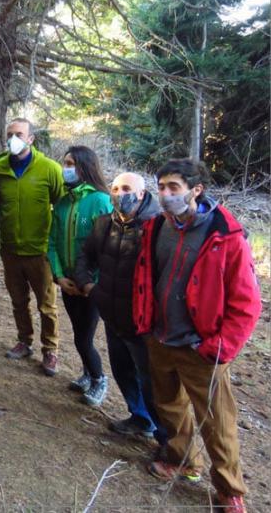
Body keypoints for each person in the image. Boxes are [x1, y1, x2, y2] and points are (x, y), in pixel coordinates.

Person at [133, 159, 260, 511]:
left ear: (196, 190)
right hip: (160, 337)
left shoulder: (226, 234)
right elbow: (147, 276)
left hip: (202, 347)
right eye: (161, 187)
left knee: (218, 424)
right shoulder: (158, 226)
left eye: (173, 187)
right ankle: (182, 460)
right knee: (170, 407)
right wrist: (145, 322)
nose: (165, 194)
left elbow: (247, 303)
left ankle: (229, 490)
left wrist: (220, 347)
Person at [74, 172, 164, 440]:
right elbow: (85, 255)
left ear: (140, 193)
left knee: (151, 381)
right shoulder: (104, 224)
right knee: (122, 371)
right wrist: (86, 284)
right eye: (114, 188)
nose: (118, 193)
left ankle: (166, 440)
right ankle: (140, 418)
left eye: (126, 188)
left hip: (143, 321)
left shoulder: (157, 227)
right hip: (112, 314)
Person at [0, 118, 63, 375]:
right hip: (10, 249)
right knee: (18, 301)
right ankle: (24, 341)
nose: (14, 138)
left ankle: (50, 350)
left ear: (31, 138)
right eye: (10, 134)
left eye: (19, 134)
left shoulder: (49, 169)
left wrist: (56, 248)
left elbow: (61, 203)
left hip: (40, 250)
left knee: (47, 305)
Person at [47, 146, 113, 405]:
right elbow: (52, 242)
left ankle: (99, 379)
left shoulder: (100, 200)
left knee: (84, 338)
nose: (66, 169)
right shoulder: (63, 202)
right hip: (67, 283)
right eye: (65, 163)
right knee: (77, 332)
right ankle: (87, 373)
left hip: (90, 286)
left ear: (84, 167)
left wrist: (91, 283)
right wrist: (59, 276)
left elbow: (106, 247)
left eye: (71, 163)